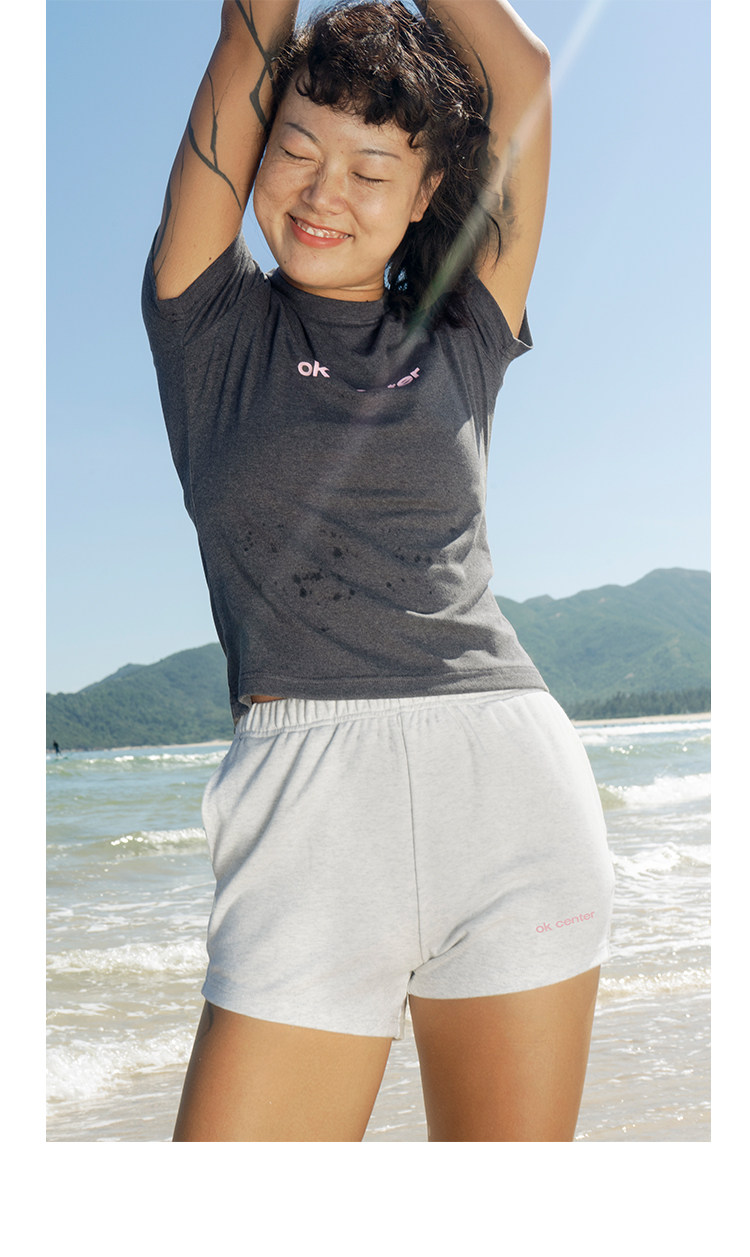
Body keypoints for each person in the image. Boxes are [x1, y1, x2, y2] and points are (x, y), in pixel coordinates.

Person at [143, 0, 615, 1142]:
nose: (323, 194)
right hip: (306, 808)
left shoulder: (465, 325)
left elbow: (521, 71)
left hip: (510, 795)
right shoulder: (207, 320)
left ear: (425, 193)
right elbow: (251, 37)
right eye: (297, 149)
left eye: (370, 171)